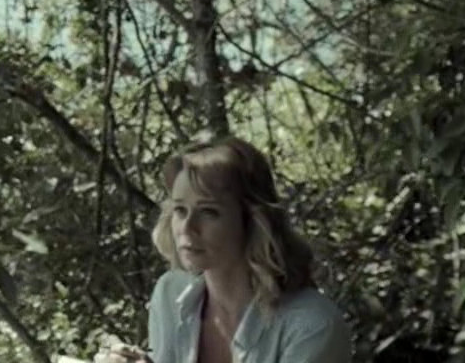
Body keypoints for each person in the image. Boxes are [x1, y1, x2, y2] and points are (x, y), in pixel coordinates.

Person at [98, 137, 352, 363]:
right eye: (180, 210)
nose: (187, 227)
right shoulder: (171, 294)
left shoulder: (312, 325)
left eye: (209, 212)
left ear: (252, 221)